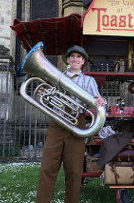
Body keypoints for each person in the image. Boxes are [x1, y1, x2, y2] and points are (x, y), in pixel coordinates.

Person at [35, 45, 105, 203]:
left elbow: (98, 102)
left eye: (78, 57)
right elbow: (47, 100)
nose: (75, 59)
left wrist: (101, 101)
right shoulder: (55, 76)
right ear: (67, 59)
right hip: (57, 123)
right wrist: (42, 94)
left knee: (74, 171)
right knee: (47, 168)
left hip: (76, 124)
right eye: (72, 56)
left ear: (83, 62)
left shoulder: (89, 80)